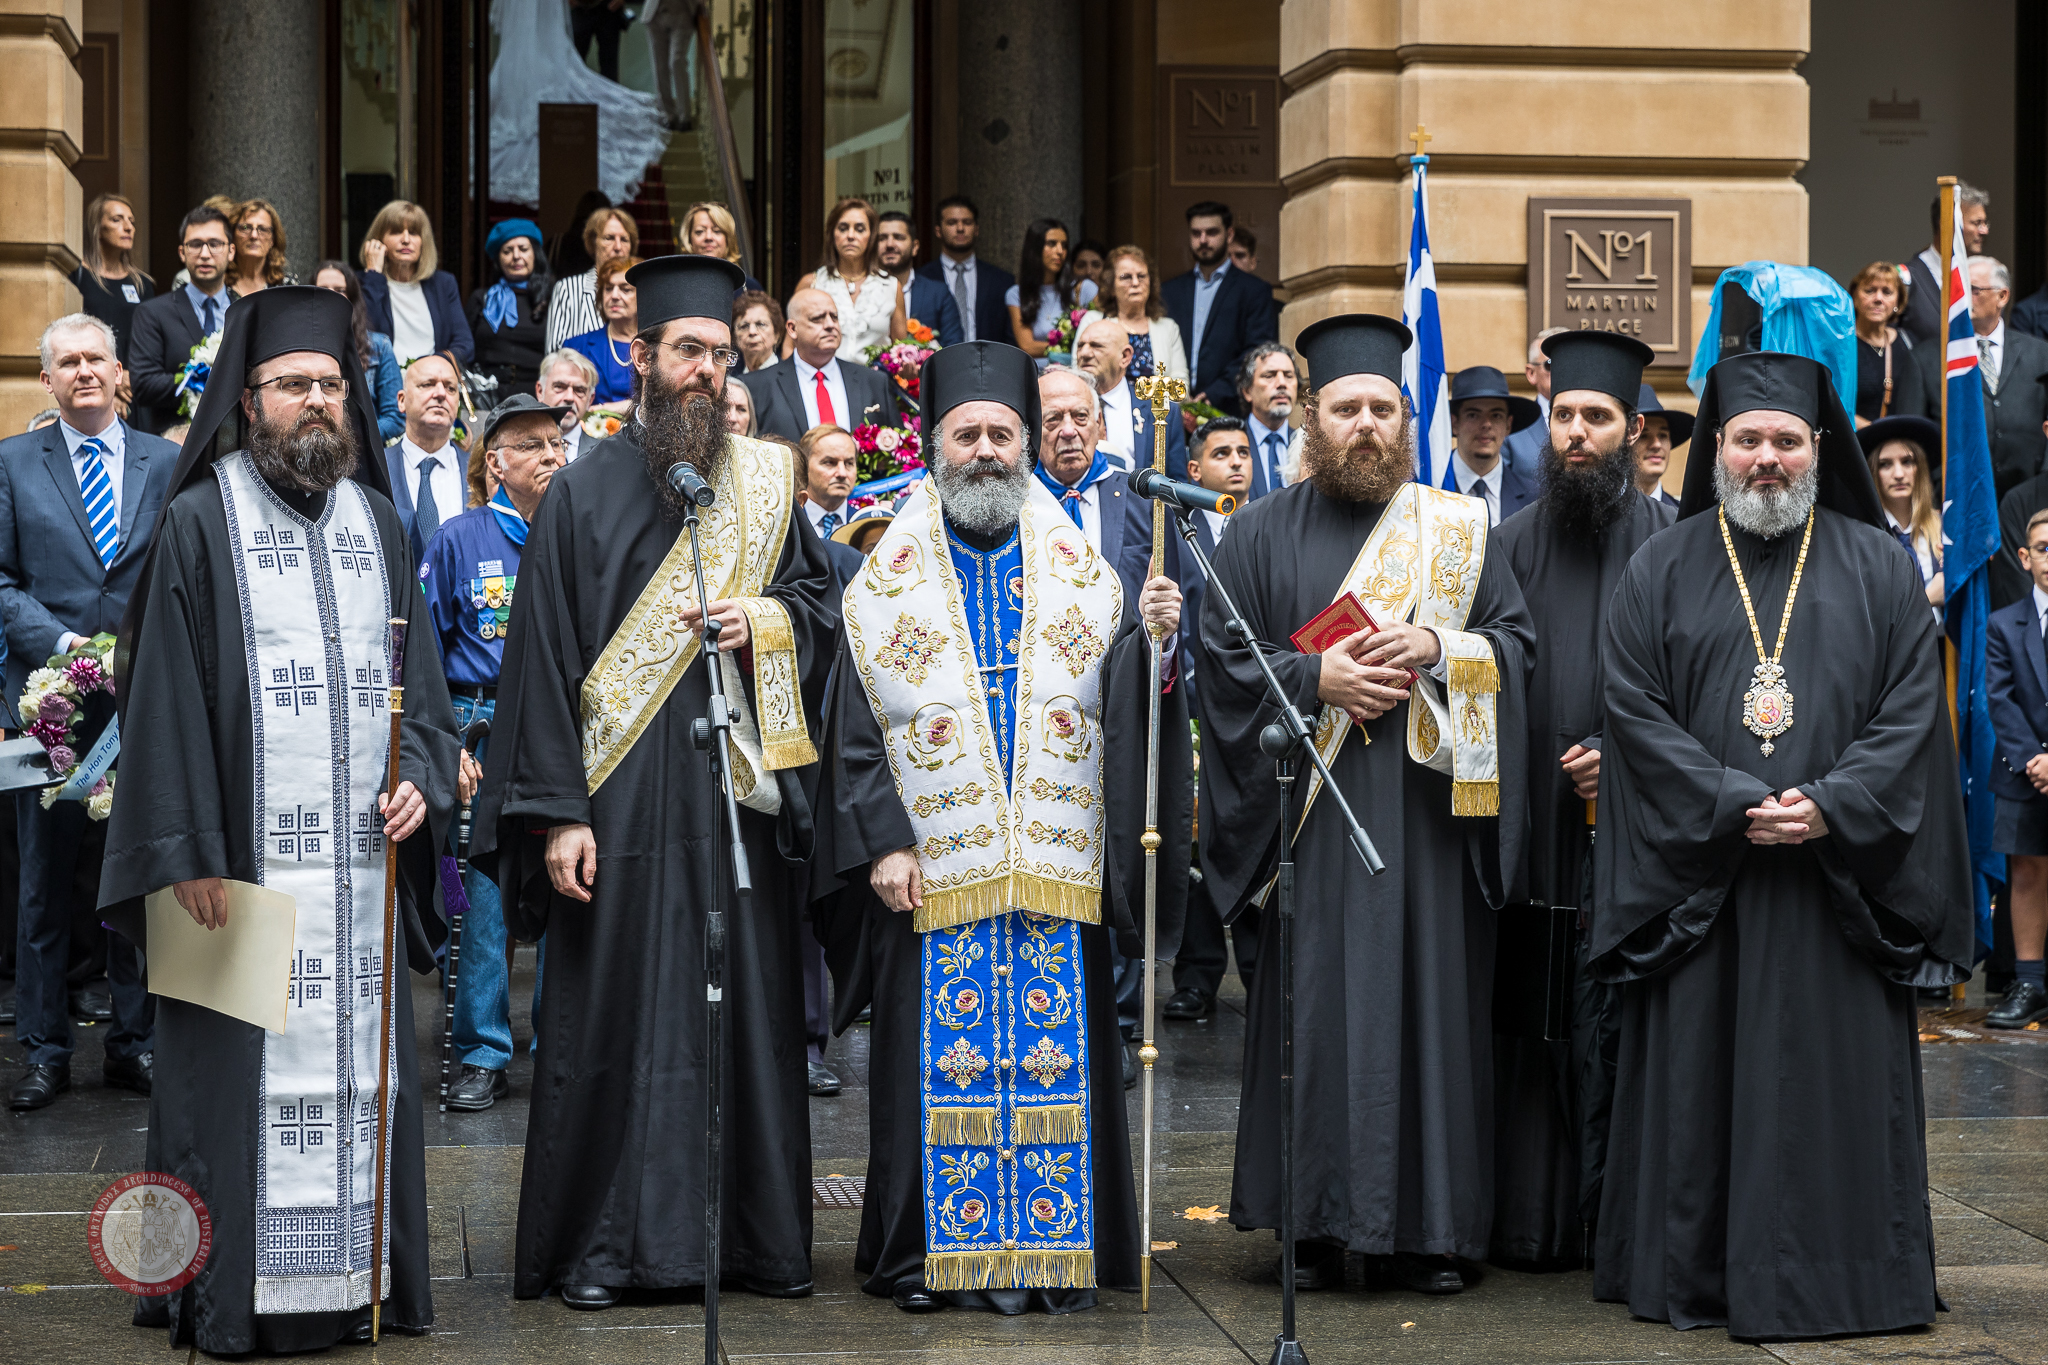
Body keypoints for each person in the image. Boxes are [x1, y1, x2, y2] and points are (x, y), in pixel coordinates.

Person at [470, 253, 836, 1310]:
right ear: (638, 358)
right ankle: (604, 1248)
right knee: (615, 1024)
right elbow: (536, 665)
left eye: (722, 356)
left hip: (734, 805)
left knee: (747, 1019)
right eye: (688, 352)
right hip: (616, 814)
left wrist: (759, 626)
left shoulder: (767, 483)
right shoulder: (578, 492)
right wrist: (554, 819)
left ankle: (754, 1248)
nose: (708, 377)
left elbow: (818, 615)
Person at [100, 284, 459, 1353]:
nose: (314, 404)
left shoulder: (381, 526)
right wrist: (186, 853)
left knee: (357, 1080)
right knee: (218, 1090)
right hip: (233, 875)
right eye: (291, 385)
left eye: (330, 386)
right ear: (245, 400)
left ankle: (355, 1281)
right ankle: (219, 1294)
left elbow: (424, 701)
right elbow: (154, 696)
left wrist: (420, 785)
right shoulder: (201, 523)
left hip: (355, 886)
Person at [1592, 348, 1972, 1339]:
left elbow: (1907, 713)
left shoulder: (1876, 565)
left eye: (1786, 441)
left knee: (1828, 1089)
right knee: (1702, 1085)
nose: (1768, 457)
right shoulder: (1658, 566)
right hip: (1703, 888)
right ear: (1714, 448)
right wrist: (1727, 798)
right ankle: (1698, 1275)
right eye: (1748, 439)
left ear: (1817, 449)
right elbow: (1630, 706)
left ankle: (1850, 1275)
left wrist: (1830, 802)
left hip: (1829, 888)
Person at [815, 338, 1191, 1314]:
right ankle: (929, 1259)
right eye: (966, 433)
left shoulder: (1088, 575)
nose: (984, 450)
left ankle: (1049, 1259)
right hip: (935, 870)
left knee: (1051, 1058)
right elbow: (855, 728)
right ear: (936, 446)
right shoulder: (882, 579)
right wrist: (887, 840)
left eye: (1000, 433)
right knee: (934, 1068)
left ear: (1024, 445)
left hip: (1053, 870)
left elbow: (1126, 720)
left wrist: (1153, 650)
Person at [1197, 312, 1533, 1296]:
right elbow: (1220, 668)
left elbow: (1514, 645)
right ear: (1309, 417)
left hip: (1426, 830)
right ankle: (1308, 1222)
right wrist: (1315, 683)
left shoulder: (1457, 534)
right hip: (1314, 824)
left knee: (1428, 1017)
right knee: (1315, 1014)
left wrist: (1440, 649)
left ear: (1405, 417)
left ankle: (1429, 1230)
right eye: (1345, 408)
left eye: (1382, 409)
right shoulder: (1254, 533)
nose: (1365, 426)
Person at [1487, 331, 1670, 1270]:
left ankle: (1617, 1224)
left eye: (1596, 418)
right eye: (1563, 417)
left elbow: (1702, 697)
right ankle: (1529, 1223)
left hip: (1636, 839)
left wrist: (1627, 759)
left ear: (1634, 430)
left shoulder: (1678, 550)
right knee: (1530, 1023)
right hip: (1532, 831)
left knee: (1621, 1025)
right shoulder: (1506, 544)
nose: (1576, 435)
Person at [1, 314, 177, 1112]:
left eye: (95, 359)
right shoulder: (10, 463)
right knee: (43, 885)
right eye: (66, 362)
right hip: (51, 705)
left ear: (119, 373)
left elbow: (185, 573)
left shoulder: (167, 462)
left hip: (144, 703)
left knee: (137, 879)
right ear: (47, 379)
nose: (82, 372)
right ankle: (43, 1048)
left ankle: (134, 1042)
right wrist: (70, 643)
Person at [422, 393, 568, 1111]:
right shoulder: (459, 538)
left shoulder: (581, 533)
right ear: (496, 464)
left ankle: (560, 1044)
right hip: (479, 726)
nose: (549, 454)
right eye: (530, 444)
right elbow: (423, 652)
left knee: (567, 880)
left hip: (564, 729)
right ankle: (482, 1052)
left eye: (555, 441)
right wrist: (446, 743)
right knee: (481, 893)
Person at [1165, 416, 1259, 1023]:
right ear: (1195, 471)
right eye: (1222, 452)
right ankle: (1196, 976)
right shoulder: (1177, 530)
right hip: (1196, 704)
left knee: (1251, 833)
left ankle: (1258, 970)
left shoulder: (1272, 524)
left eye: (1245, 452)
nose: (1236, 462)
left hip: (1259, 708)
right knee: (1196, 838)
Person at [1987, 507, 2048, 1029]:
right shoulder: (2004, 624)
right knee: (2027, 871)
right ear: (2025, 558)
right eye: (2043, 548)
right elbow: (2000, 699)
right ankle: (2030, 982)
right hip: (2022, 769)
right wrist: (2038, 759)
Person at [1919, 255, 2048, 499]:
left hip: (2031, 500)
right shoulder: (1927, 358)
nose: (1964, 297)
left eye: (1974, 290)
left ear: (2002, 296)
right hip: (1955, 500)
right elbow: (1914, 440)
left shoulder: (2041, 354)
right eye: (1959, 289)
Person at [128, 204, 235, 434]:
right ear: (182, 252)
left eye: (215, 244)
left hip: (236, 443)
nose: (205, 254)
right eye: (195, 244)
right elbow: (144, 385)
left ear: (231, 251)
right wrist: (197, 380)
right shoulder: (153, 313)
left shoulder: (245, 311)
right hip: (174, 444)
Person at [1162, 202, 1277, 411]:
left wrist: (1215, 392)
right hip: (1174, 409)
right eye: (1196, 233)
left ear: (1229, 234)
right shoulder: (1170, 291)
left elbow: (1257, 350)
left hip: (1228, 406)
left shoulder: (1253, 290)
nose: (1203, 240)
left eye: (1211, 232)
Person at [740, 288, 897, 441]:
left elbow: (901, 456)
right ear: (792, 329)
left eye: (834, 317)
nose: (830, 325)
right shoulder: (756, 386)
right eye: (817, 318)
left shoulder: (873, 381)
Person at [360, 200, 473, 366]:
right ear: (378, 241)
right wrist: (374, 276)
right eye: (396, 232)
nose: (406, 240)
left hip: (433, 382)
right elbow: (363, 336)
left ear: (423, 241)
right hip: (385, 386)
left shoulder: (443, 284)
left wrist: (431, 367)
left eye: (413, 233)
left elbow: (465, 345)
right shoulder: (363, 283)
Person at [385, 351, 469, 564]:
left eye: (451, 388)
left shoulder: (480, 472)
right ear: (402, 400)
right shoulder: (378, 469)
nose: (441, 394)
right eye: (427, 384)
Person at [1072, 317, 1185, 475]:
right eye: (1080, 346)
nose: (1084, 353)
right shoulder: (1061, 406)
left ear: (1125, 356)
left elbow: (1176, 483)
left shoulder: (1162, 410)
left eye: (1096, 346)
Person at [1860, 414, 1945, 615]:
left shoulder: (1945, 527)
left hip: (1943, 643)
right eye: (1885, 464)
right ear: (1873, 472)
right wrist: (1928, 599)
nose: (1898, 474)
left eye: (1907, 462)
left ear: (1921, 468)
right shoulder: (1862, 538)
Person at [313, 260, 405, 442]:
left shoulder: (379, 346)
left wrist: (350, 440)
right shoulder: (298, 346)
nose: (331, 296)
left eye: (340, 290)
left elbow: (395, 418)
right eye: (323, 289)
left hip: (364, 455)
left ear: (352, 298)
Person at [1076, 245, 1188, 388]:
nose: (1135, 283)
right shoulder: (1094, 321)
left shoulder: (1168, 328)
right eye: (1126, 277)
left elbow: (1181, 385)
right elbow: (1080, 376)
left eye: (1141, 276)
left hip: (1156, 409)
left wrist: (1143, 404)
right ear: (1111, 287)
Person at [466, 218, 553, 397]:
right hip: (486, 395)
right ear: (498, 258)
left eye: (523, 249)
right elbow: (466, 348)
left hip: (537, 395)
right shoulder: (482, 299)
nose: (516, 256)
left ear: (535, 254)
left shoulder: (552, 299)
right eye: (507, 251)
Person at [813, 197, 907, 361]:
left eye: (860, 229)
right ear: (832, 234)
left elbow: (900, 350)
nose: (850, 236)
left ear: (871, 236)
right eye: (843, 228)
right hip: (824, 382)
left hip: (875, 382)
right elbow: (791, 345)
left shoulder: (891, 286)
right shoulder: (814, 283)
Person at [1445, 365, 1540, 526]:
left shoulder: (1535, 499)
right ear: (1455, 423)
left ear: (1508, 425)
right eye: (1473, 415)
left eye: (1496, 415)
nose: (1486, 424)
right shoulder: (1428, 487)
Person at [916, 194, 1016, 345]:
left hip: (990, 364)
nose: (960, 228)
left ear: (976, 229)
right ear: (938, 231)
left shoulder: (1002, 281)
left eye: (967, 222)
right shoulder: (921, 279)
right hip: (939, 364)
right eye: (952, 222)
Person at [70, 193, 154, 368]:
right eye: (117, 220)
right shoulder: (77, 276)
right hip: (90, 374)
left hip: (134, 381)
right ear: (97, 228)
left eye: (131, 221)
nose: (128, 227)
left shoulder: (141, 283)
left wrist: (134, 377)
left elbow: (149, 340)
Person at [1901, 183, 1989, 349]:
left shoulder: (1984, 277)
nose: (1984, 231)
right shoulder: (1908, 279)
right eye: (1976, 223)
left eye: (1985, 223)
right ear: (1948, 223)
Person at [545, 206, 639, 351]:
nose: (618, 247)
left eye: (625, 240)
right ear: (593, 242)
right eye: (609, 238)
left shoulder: (642, 289)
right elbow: (554, 354)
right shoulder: (568, 289)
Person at [1848, 260, 1926, 426]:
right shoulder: (1842, 343)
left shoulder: (1908, 342)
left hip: (1900, 443)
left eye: (1887, 292)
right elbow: (1834, 404)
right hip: (1855, 444)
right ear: (1854, 297)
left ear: (1898, 302)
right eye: (1869, 291)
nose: (1878, 299)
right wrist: (1878, 434)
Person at [1006, 217, 1097, 359]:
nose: (1060, 251)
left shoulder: (1083, 289)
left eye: (1064, 245)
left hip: (1074, 374)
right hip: (1035, 376)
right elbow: (1027, 346)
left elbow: (1100, 337)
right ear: (1035, 248)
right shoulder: (1016, 294)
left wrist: (1050, 347)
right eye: (1052, 244)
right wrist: (1071, 346)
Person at [563, 254, 643, 411]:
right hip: (590, 433)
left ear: (643, 296)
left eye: (625, 289)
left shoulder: (657, 346)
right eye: (608, 288)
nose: (614, 296)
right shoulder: (577, 347)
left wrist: (606, 410)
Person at [876, 210, 964, 346]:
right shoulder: (863, 290)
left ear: (915, 247)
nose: (889, 244)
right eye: (882, 238)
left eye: (898, 237)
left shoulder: (938, 293)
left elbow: (954, 347)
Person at [1236, 340, 1302, 499]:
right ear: (1247, 391)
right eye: (1269, 375)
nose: (1281, 384)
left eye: (1288, 376)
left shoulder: (1307, 446)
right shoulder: (1228, 446)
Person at [1502, 327, 1569, 479]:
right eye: (1551, 364)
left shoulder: (1596, 423)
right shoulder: (1511, 428)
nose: (1562, 371)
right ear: (1531, 373)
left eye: (1570, 364)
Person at [681, 200, 762, 290]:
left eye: (717, 231)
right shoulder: (677, 285)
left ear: (728, 239)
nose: (708, 237)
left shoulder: (749, 287)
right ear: (689, 239)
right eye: (700, 231)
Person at [642, 0, 697, 130]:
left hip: (682, 13)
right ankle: (667, 115)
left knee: (677, 61)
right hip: (655, 13)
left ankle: (685, 116)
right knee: (659, 67)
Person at [537, 348, 600, 461]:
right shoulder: (520, 447)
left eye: (579, 390)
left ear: (590, 399)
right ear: (540, 391)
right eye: (559, 387)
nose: (569, 397)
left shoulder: (602, 453)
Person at [1631, 384, 1688, 508]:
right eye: (1643, 436)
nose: (1656, 445)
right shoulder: (1603, 515)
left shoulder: (1683, 517)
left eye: (1663, 435)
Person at [797, 423, 858, 536]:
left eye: (849, 463)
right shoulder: (788, 524)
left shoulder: (865, 526)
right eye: (830, 463)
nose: (842, 473)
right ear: (804, 466)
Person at [225, 198, 294, 297]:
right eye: (246, 227)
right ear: (233, 235)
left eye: (262, 229)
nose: (254, 235)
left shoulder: (287, 287)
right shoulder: (218, 285)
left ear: (272, 240)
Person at [735, 289, 785, 373]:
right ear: (734, 337)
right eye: (744, 326)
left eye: (761, 324)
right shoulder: (730, 381)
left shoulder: (790, 379)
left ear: (776, 334)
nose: (752, 332)